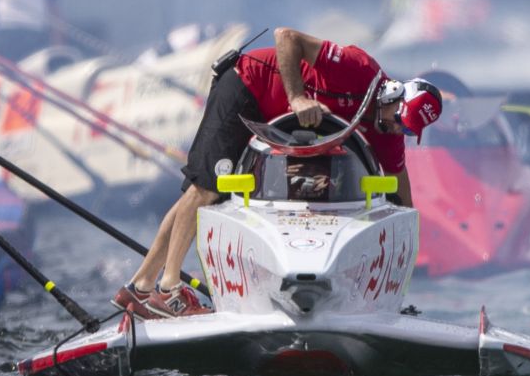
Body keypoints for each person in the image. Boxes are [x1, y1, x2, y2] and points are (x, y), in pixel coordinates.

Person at [113, 26, 443, 319]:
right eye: (398, 119)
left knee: (200, 192)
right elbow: (285, 36)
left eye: (406, 129)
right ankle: (170, 291)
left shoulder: (387, 134)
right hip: (245, 85)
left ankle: (140, 287)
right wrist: (297, 97)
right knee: (205, 191)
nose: (395, 129)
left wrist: (401, 262)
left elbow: (402, 198)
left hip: (263, 113)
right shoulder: (359, 68)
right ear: (392, 94)